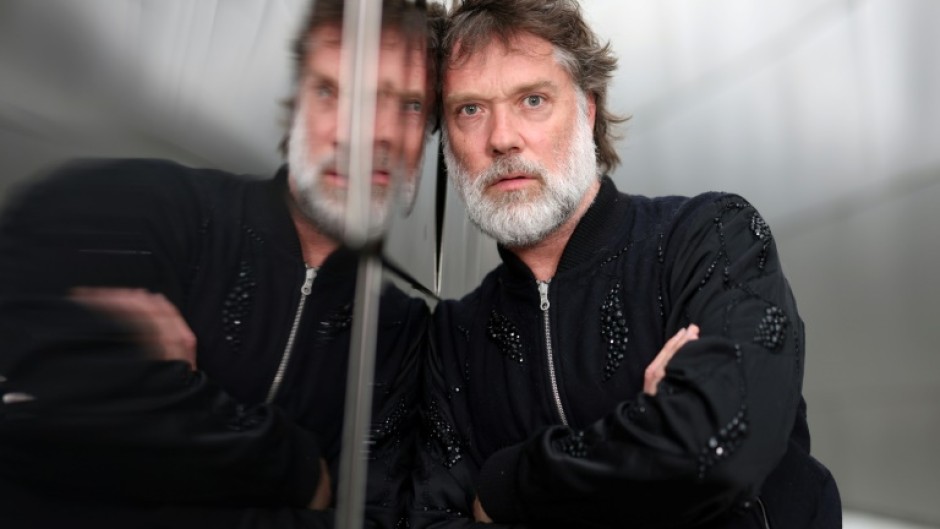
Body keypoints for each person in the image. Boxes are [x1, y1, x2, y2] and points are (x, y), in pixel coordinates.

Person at [0, 0, 438, 527]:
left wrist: (168, 406)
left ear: (428, 136)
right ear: (296, 104)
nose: (369, 134)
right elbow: (46, 420)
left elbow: (369, 518)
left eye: (409, 105)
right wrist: (295, 467)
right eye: (333, 92)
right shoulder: (148, 206)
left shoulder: (400, 331)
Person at [412, 1, 841, 528]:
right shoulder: (454, 338)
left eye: (533, 100)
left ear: (587, 110)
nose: (502, 137)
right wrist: (652, 430)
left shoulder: (709, 239)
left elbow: (720, 449)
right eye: (470, 110)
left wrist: (510, 481)